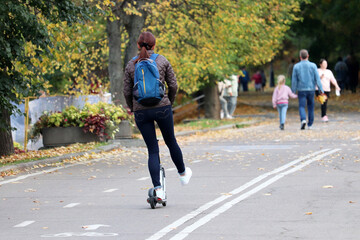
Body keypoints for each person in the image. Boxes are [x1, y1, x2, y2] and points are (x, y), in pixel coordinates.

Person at [123, 32, 192, 201]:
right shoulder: (162, 60)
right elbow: (173, 85)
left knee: (152, 150)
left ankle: (158, 190)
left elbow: (126, 91)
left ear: (138, 46)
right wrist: (170, 101)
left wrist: (133, 108)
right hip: (162, 107)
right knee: (170, 141)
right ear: (154, 45)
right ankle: (183, 174)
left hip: (141, 111)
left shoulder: (131, 64)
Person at [291, 49, 324, 130]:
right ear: (308, 56)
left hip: (301, 89)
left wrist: (293, 90)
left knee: (302, 106)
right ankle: (310, 124)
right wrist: (321, 89)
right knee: (310, 106)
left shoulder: (296, 66)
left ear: (300, 57)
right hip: (311, 89)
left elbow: (294, 80)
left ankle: (303, 120)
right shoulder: (313, 66)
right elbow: (317, 78)